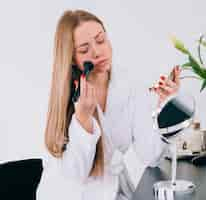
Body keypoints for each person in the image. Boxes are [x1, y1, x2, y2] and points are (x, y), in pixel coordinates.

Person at [37, 9, 181, 200]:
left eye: (100, 40)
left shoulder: (130, 86)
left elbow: (151, 156)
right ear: (72, 58)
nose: (97, 52)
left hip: (114, 193)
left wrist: (165, 108)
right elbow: (75, 174)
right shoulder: (66, 97)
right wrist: (83, 119)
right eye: (84, 49)